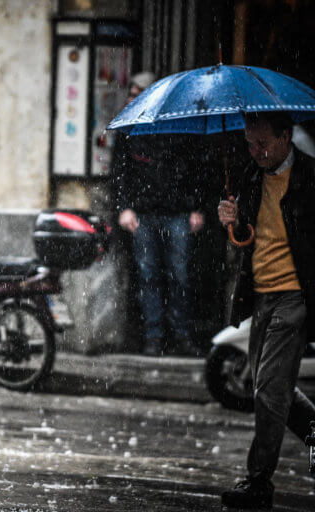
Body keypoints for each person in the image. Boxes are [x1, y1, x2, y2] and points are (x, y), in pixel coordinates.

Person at [218, 111, 315, 509]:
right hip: (261, 294)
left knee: (268, 392)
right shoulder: (251, 176)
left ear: (286, 137)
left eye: (262, 143)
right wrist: (234, 221)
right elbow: (246, 240)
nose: (255, 151)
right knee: (267, 381)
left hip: (295, 293)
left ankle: (259, 481)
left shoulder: (309, 177)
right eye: (249, 143)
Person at [110, 71, 205, 356]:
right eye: (132, 94)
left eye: (139, 94)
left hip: (176, 212)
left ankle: (181, 334)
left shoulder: (176, 125)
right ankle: (153, 336)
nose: (133, 99)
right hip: (143, 214)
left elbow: (195, 168)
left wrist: (196, 207)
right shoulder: (128, 128)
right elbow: (119, 172)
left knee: (180, 276)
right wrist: (124, 207)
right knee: (148, 276)